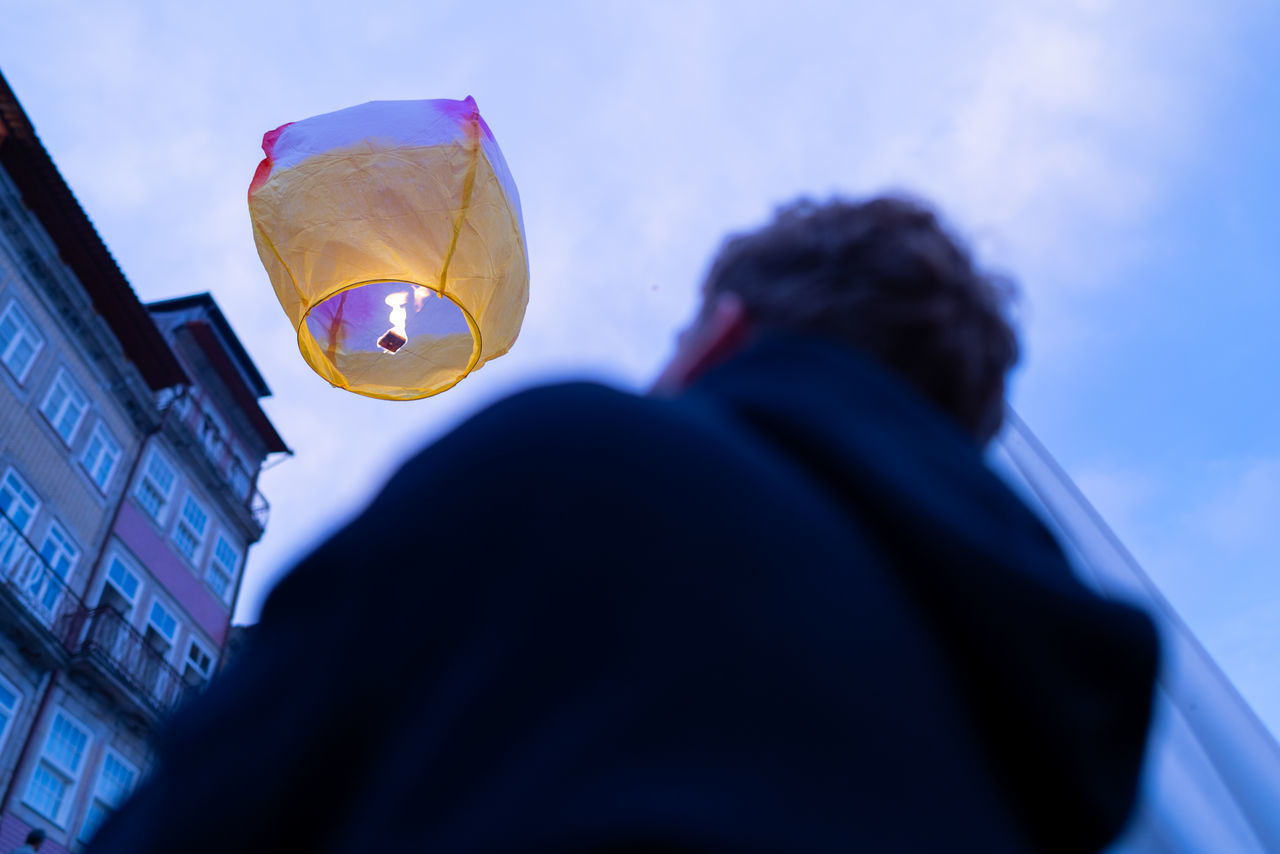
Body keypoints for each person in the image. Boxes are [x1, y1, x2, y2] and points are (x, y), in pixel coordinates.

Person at [90, 196, 1157, 853]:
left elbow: (212, 808)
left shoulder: (571, 464)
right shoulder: (1045, 736)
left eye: (681, 331)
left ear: (719, 338)